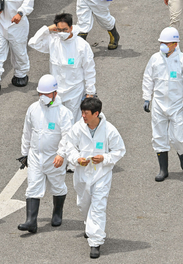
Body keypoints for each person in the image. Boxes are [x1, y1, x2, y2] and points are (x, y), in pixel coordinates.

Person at [63, 98, 126, 259]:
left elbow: (119, 150)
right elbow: (68, 145)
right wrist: (77, 159)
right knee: (83, 205)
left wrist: (104, 158)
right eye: (82, 112)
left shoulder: (109, 130)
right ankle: (88, 226)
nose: (83, 115)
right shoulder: (78, 128)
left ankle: (96, 242)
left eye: (86, 113)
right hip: (82, 174)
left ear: (96, 114)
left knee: (98, 207)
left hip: (101, 175)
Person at [17, 74, 74, 233]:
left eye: (46, 94)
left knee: (57, 186)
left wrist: (61, 154)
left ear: (55, 93)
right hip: (36, 156)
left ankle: (57, 213)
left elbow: (67, 136)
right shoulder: (33, 109)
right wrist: (24, 153)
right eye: (40, 94)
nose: (43, 97)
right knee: (33, 187)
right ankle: (31, 221)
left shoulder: (63, 113)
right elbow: (27, 132)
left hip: (54, 158)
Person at [142, 27, 183, 182]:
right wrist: (147, 98)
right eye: (161, 42)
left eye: (166, 43)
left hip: (176, 106)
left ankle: (181, 154)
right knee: (159, 136)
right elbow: (148, 78)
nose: (163, 45)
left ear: (175, 44)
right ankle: (163, 169)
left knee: (178, 138)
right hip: (159, 104)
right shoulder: (155, 59)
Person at [28, 13, 96, 124]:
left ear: (71, 28)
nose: (62, 33)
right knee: (55, 122)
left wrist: (90, 93)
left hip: (75, 93)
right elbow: (33, 42)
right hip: (57, 93)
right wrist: (47, 29)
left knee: (72, 123)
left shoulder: (81, 46)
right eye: (59, 30)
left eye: (65, 30)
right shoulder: (53, 41)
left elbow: (89, 70)